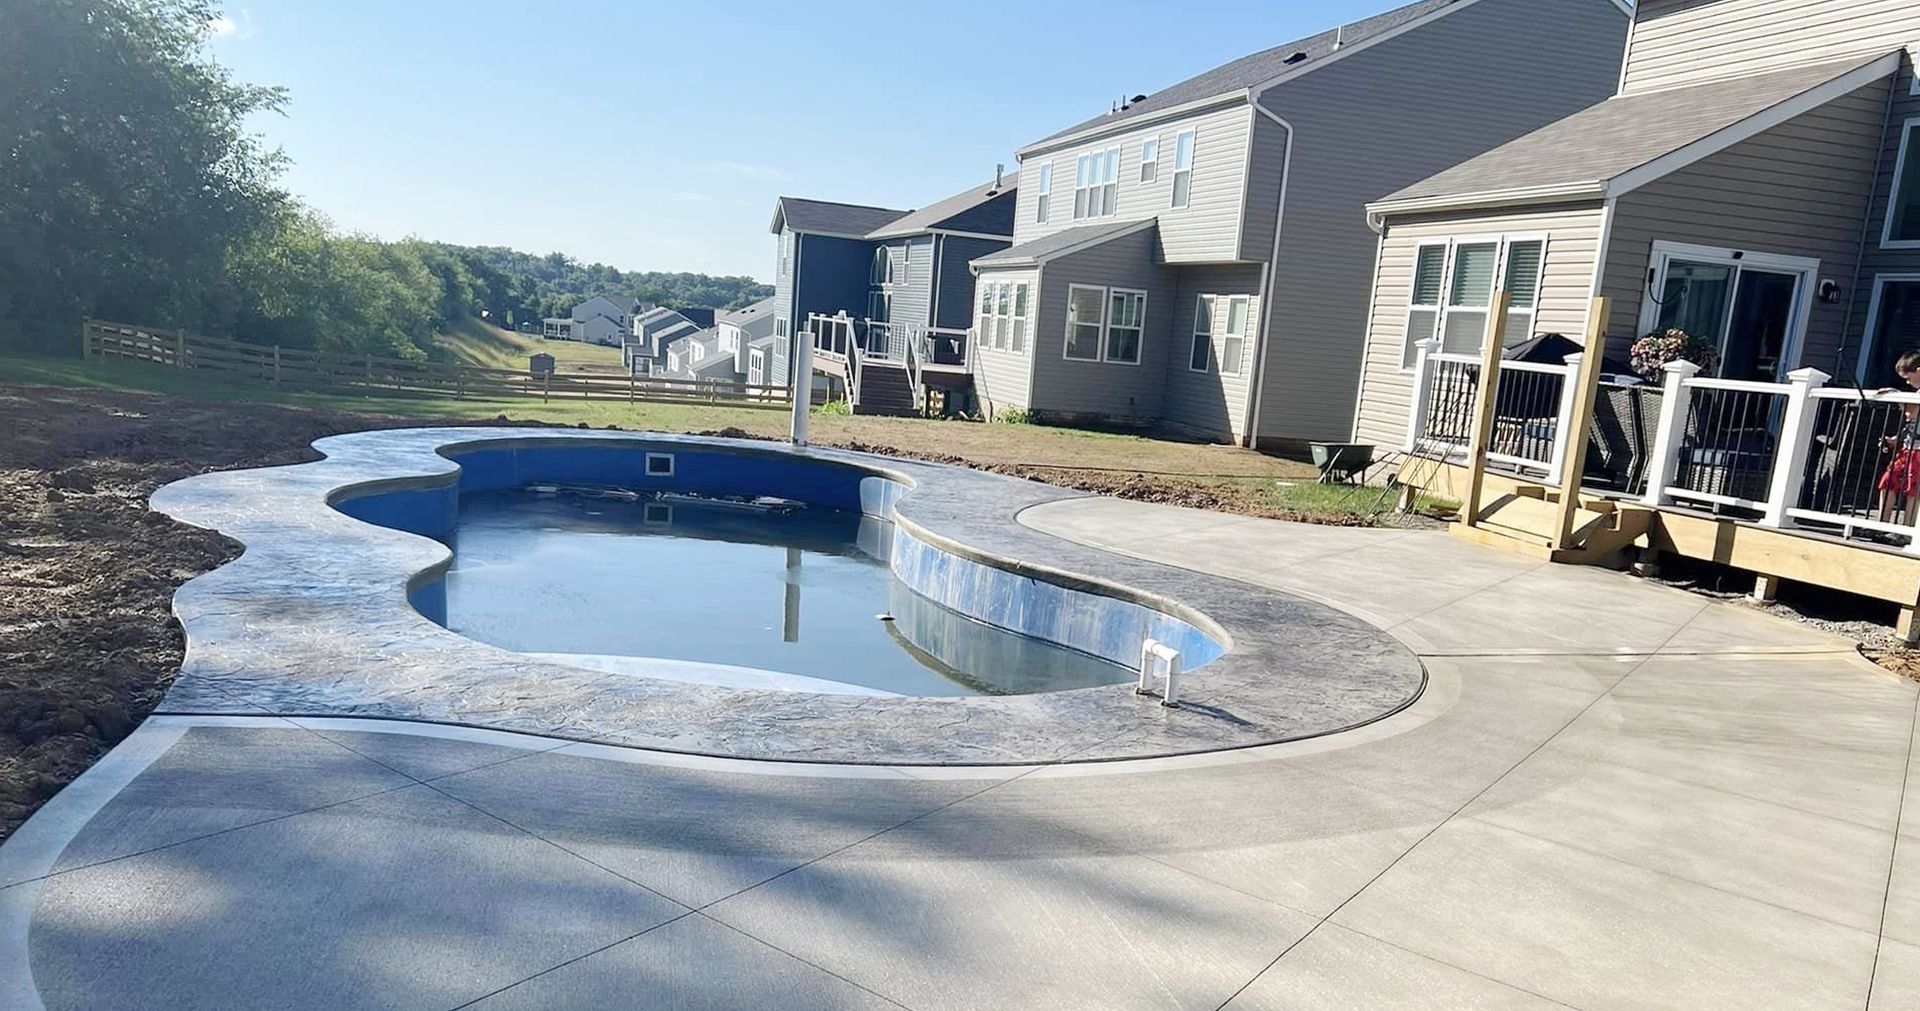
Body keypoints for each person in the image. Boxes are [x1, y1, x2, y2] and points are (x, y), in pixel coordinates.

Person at [1877, 350, 1920, 523]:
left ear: (1918, 370)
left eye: (1908, 378)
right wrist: (1895, 440)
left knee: (1913, 489)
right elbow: (1911, 424)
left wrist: (1897, 396)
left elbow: (1911, 413)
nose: (1907, 382)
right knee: (1888, 480)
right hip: (1908, 447)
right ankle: (1881, 524)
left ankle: (1907, 529)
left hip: (1918, 451)